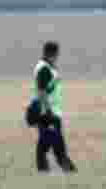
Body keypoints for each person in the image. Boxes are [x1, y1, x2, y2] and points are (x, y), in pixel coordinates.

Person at [34, 41, 76, 173]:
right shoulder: (44, 69)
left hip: (50, 112)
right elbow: (41, 92)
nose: (57, 57)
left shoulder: (48, 67)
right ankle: (70, 171)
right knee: (57, 146)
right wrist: (48, 112)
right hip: (48, 114)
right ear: (52, 54)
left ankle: (43, 171)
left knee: (44, 144)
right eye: (56, 54)